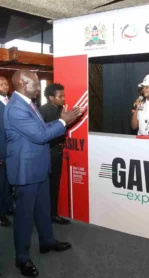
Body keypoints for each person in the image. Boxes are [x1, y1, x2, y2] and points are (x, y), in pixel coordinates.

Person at [4, 69, 82, 277]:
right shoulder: (15, 108)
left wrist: (61, 121)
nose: (39, 88)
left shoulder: (29, 103)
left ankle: (46, 241)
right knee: (24, 217)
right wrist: (63, 121)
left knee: (43, 209)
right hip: (25, 171)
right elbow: (40, 135)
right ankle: (22, 258)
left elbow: (42, 127)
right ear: (22, 83)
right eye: (36, 84)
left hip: (38, 166)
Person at [39, 83, 70, 225]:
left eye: (64, 95)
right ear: (51, 97)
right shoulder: (43, 111)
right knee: (47, 186)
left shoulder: (58, 109)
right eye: (60, 96)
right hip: (48, 154)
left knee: (54, 185)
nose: (63, 98)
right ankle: (46, 215)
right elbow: (43, 134)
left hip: (56, 152)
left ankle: (52, 214)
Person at [0, 76, 14, 227]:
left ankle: (8, 207)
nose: (5, 86)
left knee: (9, 182)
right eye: (1, 84)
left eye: (6, 84)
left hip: (12, 151)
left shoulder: (11, 101)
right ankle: (0, 214)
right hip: (1, 150)